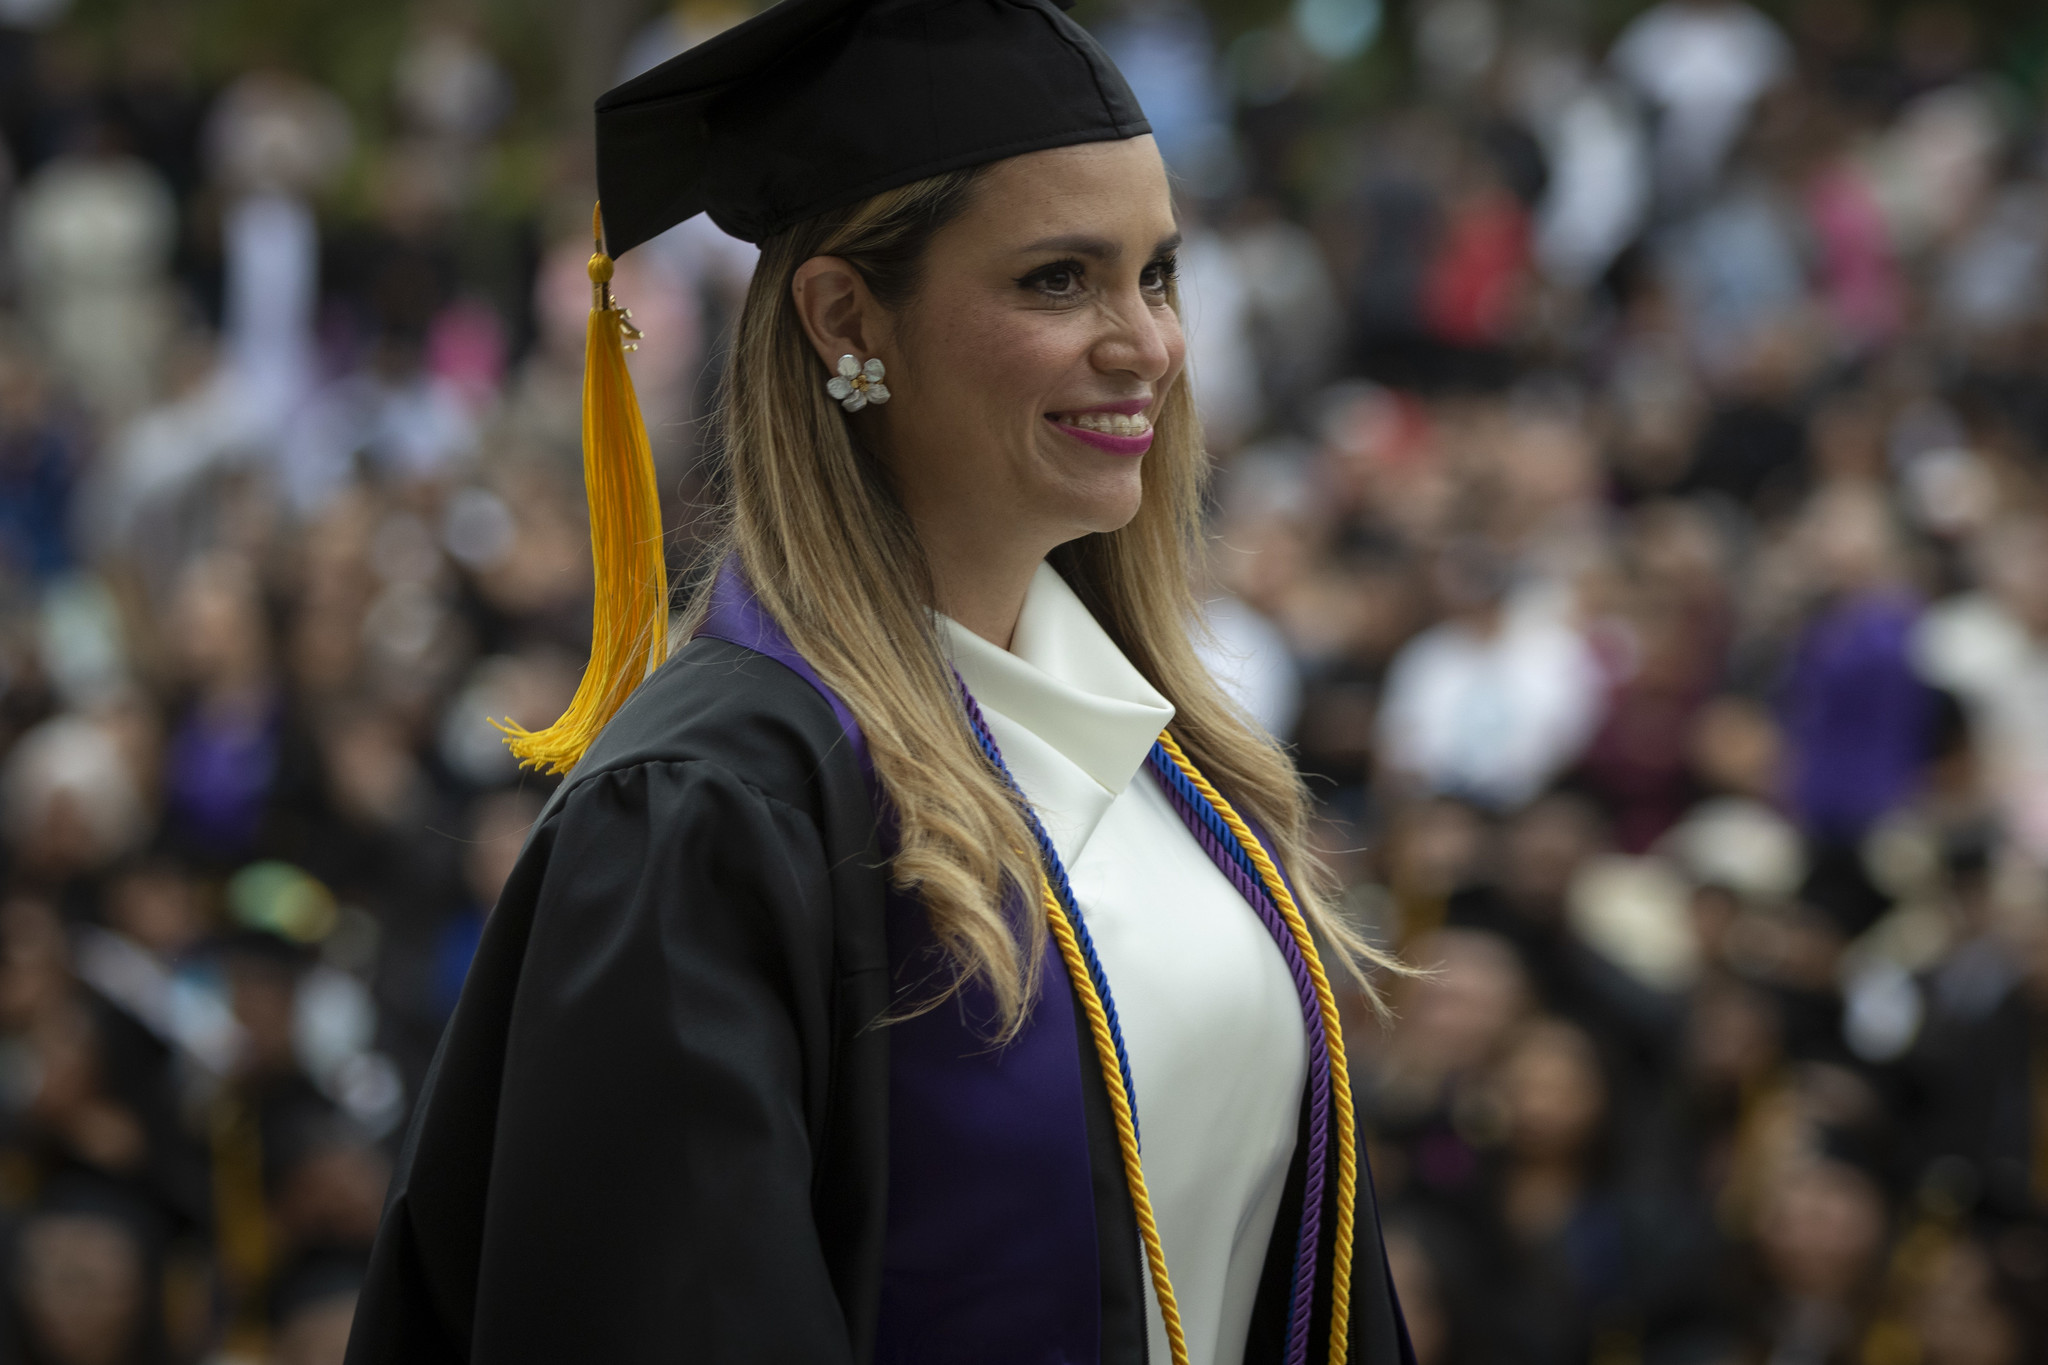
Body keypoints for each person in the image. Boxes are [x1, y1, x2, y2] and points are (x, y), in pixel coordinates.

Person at [343, 0, 1415, 1362]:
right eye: (1057, 279)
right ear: (847, 314)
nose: (1146, 342)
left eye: (1157, 274)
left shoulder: (1174, 757)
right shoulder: (713, 811)